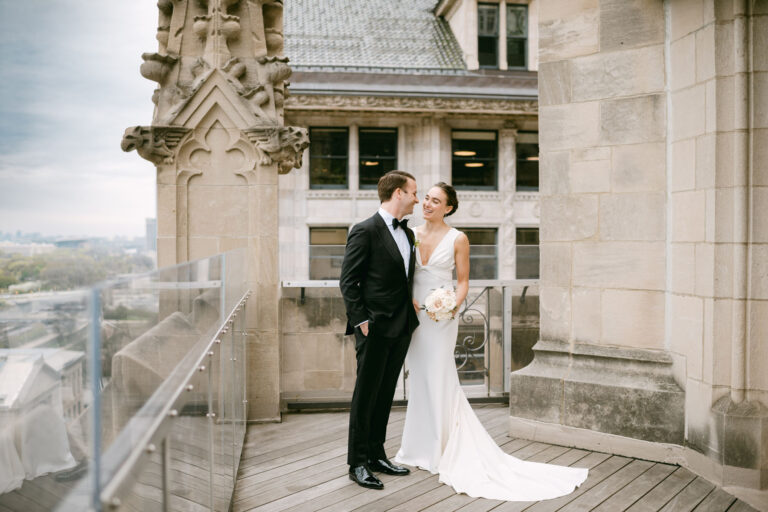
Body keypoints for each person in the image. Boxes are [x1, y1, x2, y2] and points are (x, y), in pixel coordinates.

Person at [394, 182, 589, 501]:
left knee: (440, 376)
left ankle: (440, 449)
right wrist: (408, 301)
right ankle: (417, 447)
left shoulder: (458, 238)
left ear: (449, 208)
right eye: (426, 198)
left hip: (441, 320)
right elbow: (400, 276)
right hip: (413, 317)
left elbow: (463, 281)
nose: (427, 204)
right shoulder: (409, 234)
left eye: (435, 200)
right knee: (420, 378)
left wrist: (451, 306)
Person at [339, 170, 420, 490]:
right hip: (373, 327)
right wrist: (361, 321)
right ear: (398, 193)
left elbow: (402, 278)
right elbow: (349, 281)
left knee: (385, 393)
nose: (417, 198)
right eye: (414, 192)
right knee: (366, 395)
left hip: (401, 326)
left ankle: (376, 454)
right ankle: (357, 462)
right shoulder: (365, 230)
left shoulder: (408, 234)